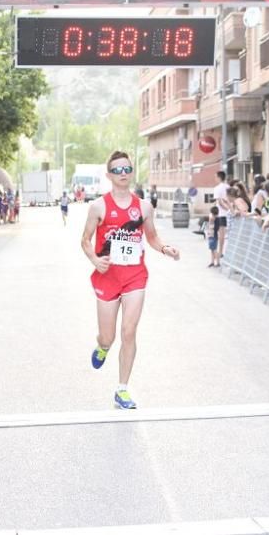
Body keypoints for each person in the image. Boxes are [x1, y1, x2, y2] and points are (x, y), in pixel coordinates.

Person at [82, 151, 180, 409]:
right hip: (107, 277)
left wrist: (165, 248)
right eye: (117, 170)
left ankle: (122, 389)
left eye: (127, 168)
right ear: (109, 175)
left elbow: (152, 237)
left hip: (135, 276)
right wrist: (95, 259)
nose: (123, 173)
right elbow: (85, 240)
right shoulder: (98, 207)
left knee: (129, 331)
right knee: (109, 336)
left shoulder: (144, 207)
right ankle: (102, 346)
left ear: (132, 171)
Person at [213, 171, 230, 259]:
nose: (214, 179)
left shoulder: (217, 188)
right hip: (228, 214)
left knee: (221, 235)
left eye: (215, 177)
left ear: (219, 177)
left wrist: (227, 209)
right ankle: (225, 251)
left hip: (221, 214)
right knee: (228, 234)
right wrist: (230, 210)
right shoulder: (228, 187)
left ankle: (220, 252)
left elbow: (219, 201)